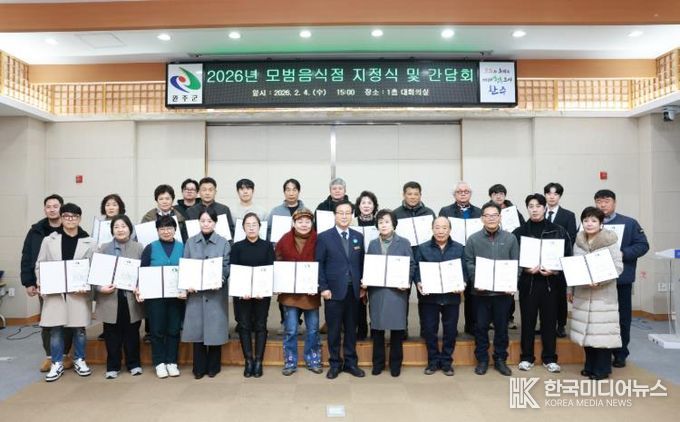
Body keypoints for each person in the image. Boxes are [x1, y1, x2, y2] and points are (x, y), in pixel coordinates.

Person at [36, 203, 96, 382]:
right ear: (61, 218)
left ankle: (79, 359)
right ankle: (57, 363)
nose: (70, 219)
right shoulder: (49, 240)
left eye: (74, 216)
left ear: (80, 218)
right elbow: (40, 264)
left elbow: (94, 268)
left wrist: (87, 285)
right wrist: (42, 283)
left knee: (79, 329)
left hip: (78, 293)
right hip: (56, 292)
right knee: (56, 330)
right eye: (67, 216)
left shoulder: (90, 242)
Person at [512, 194, 572, 374]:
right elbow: (513, 259)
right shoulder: (519, 232)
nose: (534, 209)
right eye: (531, 206)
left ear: (545, 208)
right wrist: (524, 269)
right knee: (527, 322)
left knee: (549, 322)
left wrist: (555, 271)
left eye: (538, 206)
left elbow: (567, 257)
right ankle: (526, 357)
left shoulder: (558, 230)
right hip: (528, 283)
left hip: (551, 283)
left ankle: (550, 358)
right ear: (527, 209)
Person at [594, 189, 649, 368]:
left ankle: (620, 353)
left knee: (622, 318)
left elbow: (643, 245)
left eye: (606, 201)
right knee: (601, 318)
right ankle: (601, 353)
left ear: (614, 203)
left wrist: (623, 253)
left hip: (621, 279)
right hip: (597, 281)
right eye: (599, 201)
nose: (602, 204)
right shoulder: (591, 222)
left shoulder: (629, 223)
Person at [465, 202, 519, 377]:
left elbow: (516, 263)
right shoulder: (473, 239)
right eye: (487, 216)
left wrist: (512, 283)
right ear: (482, 218)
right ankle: (482, 359)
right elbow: (469, 262)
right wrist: (477, 280)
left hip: (503, 293)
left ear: (500, 217)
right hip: (480, 293)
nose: (491, 219)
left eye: (494, 215)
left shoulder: (510, 238)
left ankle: (500, 359)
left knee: (501, 328)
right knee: (480, 327)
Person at [569, 206, 623, 380]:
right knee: (587, 333)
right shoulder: (578, 241)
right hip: (583, 293)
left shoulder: (610, 241)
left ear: (601, 223)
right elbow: (573, 267)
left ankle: (602, 369)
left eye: (593, 220)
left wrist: (600, 281)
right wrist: (570, 289)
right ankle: (590, 365)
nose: (589, 224)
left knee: (602, 334)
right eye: (586, 220)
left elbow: (617, 267)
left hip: (603, 295)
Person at [21, 194, 71, 373]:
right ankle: (50, 357)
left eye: (55, 206)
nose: (52, 209)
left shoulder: (71, 228)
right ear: (44, 209)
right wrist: (28, 282)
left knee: (68, 319)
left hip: (68, 281)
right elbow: (27, 256)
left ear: (61, 208)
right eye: (48, 206)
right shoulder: (36, 231)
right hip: (45, 282)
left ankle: (65, 355)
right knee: (48, 320)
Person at [316, 200, 366, 379]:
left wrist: (363, 285)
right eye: (340, 213)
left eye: (347, 213)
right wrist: (323, 287)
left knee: (351, 329)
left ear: (352, 215)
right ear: (335, 215)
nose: (344, 216)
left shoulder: (358, 236)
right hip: (333, 292)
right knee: (334, 330)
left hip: (353, 291)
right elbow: (319, 264)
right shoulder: (324, 237)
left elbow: (362, 263)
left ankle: (351, 363)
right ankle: (335, 364)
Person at [363, 209, 415, 377]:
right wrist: (366, 280)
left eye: (386, 222)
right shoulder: (372, 244)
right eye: (380, 222)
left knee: (397, 329)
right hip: (377, 291)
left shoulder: (404, 242)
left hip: (397, 292)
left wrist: (406, 281)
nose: (383, 225)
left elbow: (411, 265)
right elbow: (368, 265)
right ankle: (378, 363)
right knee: (377, 328)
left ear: (393, 224)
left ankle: (395, 364)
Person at [181, 207, 231, 379]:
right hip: (196, 294)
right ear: (198, 222)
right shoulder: (190, 242)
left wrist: (221, 280)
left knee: (215, 330)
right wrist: (188, 283)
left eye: (209, 221)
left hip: (215, 293)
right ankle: (199, 367)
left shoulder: (223, 242)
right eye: (203, 221)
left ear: (215, 223)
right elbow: (186, 265)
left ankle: (213, 366)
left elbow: (226, 266)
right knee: (198, 331)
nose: (206, 224)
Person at [94, 214, 144, 379]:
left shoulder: (138, 247)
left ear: (130, 229)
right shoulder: (103, 248)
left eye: (123, 226)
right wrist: (100, 288)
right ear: (112, 230)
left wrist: (140, 286)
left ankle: (134, 364)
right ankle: (113, 366)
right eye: (116, 227)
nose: (120, 230)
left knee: (132, 332)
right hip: (110, 297)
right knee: (111, 333)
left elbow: (144, 272)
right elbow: (96, 274)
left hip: (131, 297)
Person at [415, 216, 466, 376]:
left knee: (450, 331)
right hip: (429, 297)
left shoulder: (459, 248)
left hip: (451, 296)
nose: (440, 231)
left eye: (444, 227)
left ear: (450, 230)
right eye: (437, 227)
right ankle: (433, 361)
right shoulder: (422, 248)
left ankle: (446, 362)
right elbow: (416, 269)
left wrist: (463, 283)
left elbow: (464, 270)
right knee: (430, 330)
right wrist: (418, 282)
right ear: (432, 229)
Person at [275, 208, 322, 376]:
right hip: (289, 295)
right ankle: (290, 362)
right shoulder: (284, 240)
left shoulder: (319, 239)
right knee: (291, 330)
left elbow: (323, 263)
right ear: (293, 223)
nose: (304, 225)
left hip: (311, 294)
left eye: (307, 221)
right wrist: (278, 283)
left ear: (312, 223)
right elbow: (277, 262)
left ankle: (313, 360)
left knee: (313, 330)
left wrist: (318, 285)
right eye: (300, 221)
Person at [136, 215, 185, 379]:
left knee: (174, 329)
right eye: (162, 228)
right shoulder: (150, 248)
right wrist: (140, 289)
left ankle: (172, 361)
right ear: (157, 231)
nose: (166, 231)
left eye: (169, 228)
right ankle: (159, 362)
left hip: (176, 297)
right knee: (157, 330)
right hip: (155, 298)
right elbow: (142, 271)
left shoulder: (183, 247)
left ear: (175, 230)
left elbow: (188, 271)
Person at [230, 213, 276, 378]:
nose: (251, 227)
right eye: (248, 225)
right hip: (242, 294)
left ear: (259, 227)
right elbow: (234, 270)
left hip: (261, 294)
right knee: (244, 325)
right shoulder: (237, 247)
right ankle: (248, 360)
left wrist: (263, 290)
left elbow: (271, 269)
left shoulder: (267, 246)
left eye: (254, 224)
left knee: (260, 325)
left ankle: (258, 361)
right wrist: (242, 291)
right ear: (243, 228)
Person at [393, 181, 436, 338]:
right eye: (409, 194)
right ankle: (401, 329)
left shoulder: (429, 213)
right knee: (401, 297)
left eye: (416, 194)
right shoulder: (396, 214)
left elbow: (435, 235)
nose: (412, 197)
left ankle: (426, 330)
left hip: (425, 260)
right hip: (403, 261)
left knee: (425, 297)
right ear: (404, 195)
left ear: (420, 195)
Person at [439, 181, 482, 336]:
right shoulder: (445, 210)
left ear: (470, 194)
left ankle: (472, 325)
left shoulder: (479, 211)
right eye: (459, 191)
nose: (463, 194)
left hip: (473, 254)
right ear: (454, 194)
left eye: (466, 191)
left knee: (473, 292)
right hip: (453, 254)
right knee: (453, 292)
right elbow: (441, 230)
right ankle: (452, 328)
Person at [487, 183, 525, 330]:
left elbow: (522, 227)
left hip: (508, 249)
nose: (499, 196)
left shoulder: (513, 210)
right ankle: (491, 319)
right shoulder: (486, 210)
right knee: (491, 288)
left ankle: (509, 318)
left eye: (501, 193)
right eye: (495, 193)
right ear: (491, 196)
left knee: (508, 288)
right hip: (491, 251)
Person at [544, 182, 578, 338]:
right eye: (549, 193)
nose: (552, 197)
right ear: (545, 195)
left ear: (560, 196)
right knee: (543, 295)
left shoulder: (568, 215)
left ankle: (561, 325)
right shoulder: (539, 211)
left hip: (560, 262)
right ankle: (545, 324)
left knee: (559, 295)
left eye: (555, 194)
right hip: (542, 261)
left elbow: (571, 237)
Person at [353, 190, 379, 340]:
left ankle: (375, 328)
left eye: (370, 203)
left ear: (374, 206)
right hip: (357, 264)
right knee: (359, 299)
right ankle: (361, 329)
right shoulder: (352, 222)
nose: (366, 205)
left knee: (375, 299)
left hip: (375, 265)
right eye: (363, 203)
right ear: (358, 205)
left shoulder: (380, 222)